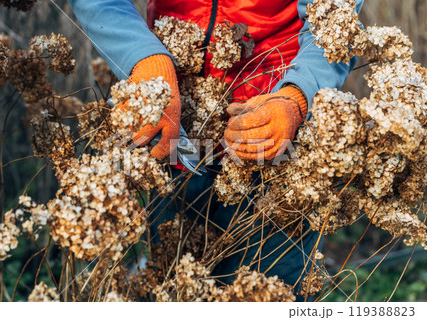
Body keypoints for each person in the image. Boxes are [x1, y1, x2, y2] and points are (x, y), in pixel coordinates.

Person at [67, 0, 364, 300]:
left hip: (275, 151)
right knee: (171, 288)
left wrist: (298, 94)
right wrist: (143, 59)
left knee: (274, 293)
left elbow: (336, 20)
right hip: (175, 135)